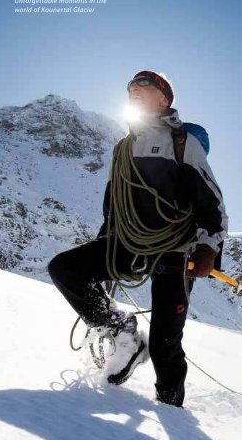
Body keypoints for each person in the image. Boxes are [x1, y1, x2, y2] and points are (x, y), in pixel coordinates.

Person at [48, 70, 228, 406]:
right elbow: (115, 199)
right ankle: (123, 331)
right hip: (127, 243)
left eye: (143, 86)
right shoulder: (123, 147)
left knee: (164, 343)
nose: (134, 90)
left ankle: (172, 408)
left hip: (176, 251)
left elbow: (210, 200)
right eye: (131, 88)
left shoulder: (182, 142)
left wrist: (208, 247)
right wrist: (107, 237)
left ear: (164, 99)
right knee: (64, 268)